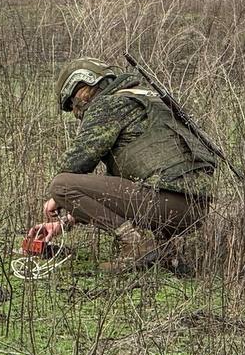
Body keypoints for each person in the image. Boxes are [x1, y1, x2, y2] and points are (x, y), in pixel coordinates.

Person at [32, 58, 217, 273]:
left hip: (166, 203)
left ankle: (136, 244)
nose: (75, 111)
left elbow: (75, 163)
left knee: (62, 184)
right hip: (195, 209)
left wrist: (58, 197)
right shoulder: (148, 100)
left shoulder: (108, 104)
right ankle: (164, 251)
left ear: (82, 90)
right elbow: (117, 189)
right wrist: (65, 223)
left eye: (72, 103)